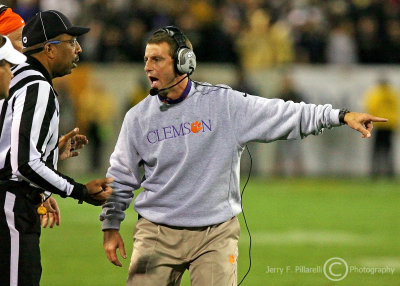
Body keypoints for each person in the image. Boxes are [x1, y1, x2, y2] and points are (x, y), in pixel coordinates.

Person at [100, 26, 387, 286]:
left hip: (214, 234)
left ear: (184, 62)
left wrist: (340, 115)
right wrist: (111, 225)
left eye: (157, 59)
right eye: (147, 59)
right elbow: (122, 176)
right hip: (156, 233)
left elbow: (285, 113)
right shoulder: (137, 118)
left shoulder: (223, 105)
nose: (147, 67)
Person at [0, 10, 113, 286]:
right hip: (11, 209)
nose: (78, 49)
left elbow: (11, 149)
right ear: (49, 50)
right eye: (71, 41)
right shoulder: (36, 86)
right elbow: (23, 163)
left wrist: (49, 155)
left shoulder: (19, 79)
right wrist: (80, 191)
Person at [364, 76, 399, 177]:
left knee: (376, 150)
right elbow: (396, 109)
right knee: (388, 150)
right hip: (389, 124)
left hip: (379, 124)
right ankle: (390, 172)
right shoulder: (393, 94)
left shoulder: (375, 94)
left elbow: (371, 107)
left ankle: (374, 171)